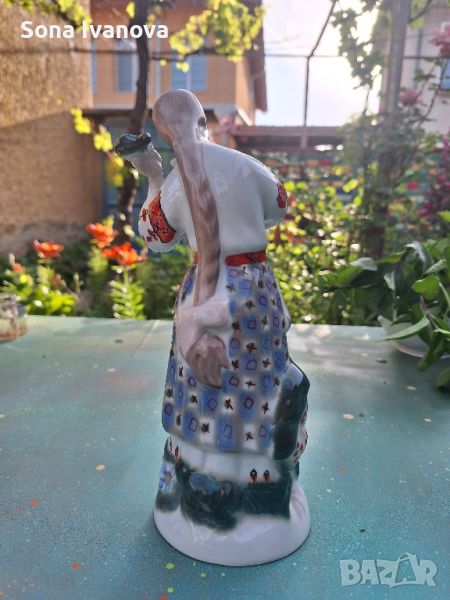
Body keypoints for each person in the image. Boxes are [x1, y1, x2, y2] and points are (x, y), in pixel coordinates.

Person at [120, 90, 310, 566]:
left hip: (205, 295)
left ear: (165, 134)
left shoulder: (173, 187)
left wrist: (153, 175)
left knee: (202, 393)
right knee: (261, 383)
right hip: (255, 290)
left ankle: (201, 487)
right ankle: (262, 486)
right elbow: (280, 204)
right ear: (204, 121)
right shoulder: (247, 166)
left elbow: (155, 238)